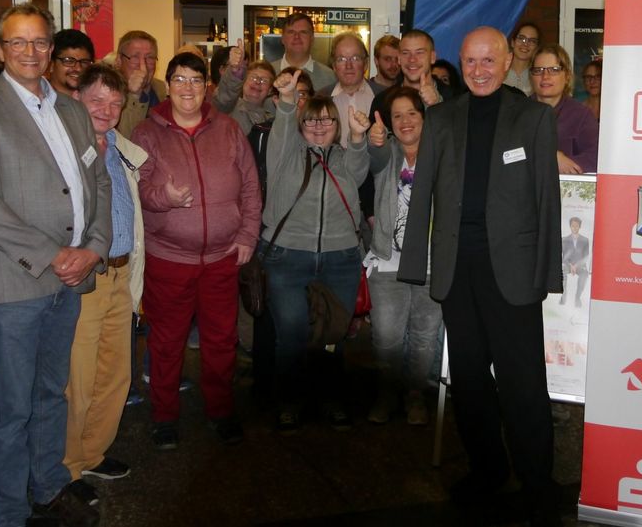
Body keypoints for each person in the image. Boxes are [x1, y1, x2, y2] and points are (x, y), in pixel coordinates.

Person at [398, 26, 561, 526]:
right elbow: (424, 192)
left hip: (513, 273)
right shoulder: (441, 118)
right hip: (458, 269)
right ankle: (488, 469)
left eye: (489, 60)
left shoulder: (533, 117)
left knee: (523, 384)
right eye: (470, 61)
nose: (479, 70)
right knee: (468, 382)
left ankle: (537, 483)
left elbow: (546, 200)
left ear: (508, 61)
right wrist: (415, 264)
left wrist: (547, 274)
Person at [0, 3, 111, 527]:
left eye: (40, 41)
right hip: (16, 282)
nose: (30, 51)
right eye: (18, 42)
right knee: (12, 408)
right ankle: (8, 513)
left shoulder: (71, 109)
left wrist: (94, 247)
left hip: (71, 279)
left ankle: (48, 488)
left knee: (51, 393)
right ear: (0, 48)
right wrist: (54, 255)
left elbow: (97, 180)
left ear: (51, 49)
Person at [131, 52, 262, 450]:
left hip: (222, 257)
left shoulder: (228, 128)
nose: (187, 88)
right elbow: (137, 190)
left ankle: (221, 411)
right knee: (166, 342)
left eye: (195, 80)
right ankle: (164, 417)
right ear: (168, 84)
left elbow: (251, 186)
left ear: (207, 85)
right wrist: (164, 197)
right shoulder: (146, 132)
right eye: (179, 79)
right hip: (169, 259)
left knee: (221, 340)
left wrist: (247, 236)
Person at [262, 70, 370, 433]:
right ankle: (289, 402)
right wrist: (287, 99)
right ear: (301, 124)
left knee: (333, 336)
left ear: (337, 126)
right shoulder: (285, 155)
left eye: (327, 120)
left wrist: (358, 137)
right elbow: (282, 129)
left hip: (341, 258)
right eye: (311, 120)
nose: (319, 126)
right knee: (292, 334)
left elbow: (360, 169)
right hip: (288, 256)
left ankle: (330, 399)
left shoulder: (344, 158)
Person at [64, 64, 147, 504]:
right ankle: (66, 468)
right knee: (78, 379)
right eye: (97, 99)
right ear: (77, 98)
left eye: (115, 103)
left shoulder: (121, 149)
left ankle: (92, 453)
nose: (106, 109)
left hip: (121, 274)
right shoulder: (63, 148)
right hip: (87, 279)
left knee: (115, 374)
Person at [365, 87, 443, 426]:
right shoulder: (386, 153)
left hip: (432, 262)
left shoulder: (442, 152)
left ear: (424, 117)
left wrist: (438, 103)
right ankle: (386, 393)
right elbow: (373, 155)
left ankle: (415, 396)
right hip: (388, 261)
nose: (405, 121)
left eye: (412, 112)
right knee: (386, 336)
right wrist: (372, 139)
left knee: (424, 336)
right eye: (397, 115)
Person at [531, 44, 599, 174]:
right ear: (531, 76)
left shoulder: (582, 116)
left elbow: (595, 159)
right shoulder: (518, 113)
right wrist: (550, 158)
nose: (545, 76)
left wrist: (563, 162)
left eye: (554, 70)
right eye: (538, 70)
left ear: (567, 75)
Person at [369, 29, 448, 126]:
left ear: (432, 57)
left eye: (419, 52)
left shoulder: (454, 97)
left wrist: (438, 105)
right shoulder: (382, 101)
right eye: (405, 53)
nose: (412, 59)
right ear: (399, 59)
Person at [213, 45, 276, 134]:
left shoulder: (273, 121)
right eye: (253, 78)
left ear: (270, 90)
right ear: (243, 82)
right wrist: (234, 73)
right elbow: (224, 98)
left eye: (264, 80)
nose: (258, 82)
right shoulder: (229, 108)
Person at [328, 31, 375, 147]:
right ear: (334, 66)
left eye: (355, 58)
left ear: (365, 64)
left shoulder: (383, 96)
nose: (348, 66)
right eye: (341, 59)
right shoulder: (322, 98)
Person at [115, 30, 166, 138]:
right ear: (119, 60)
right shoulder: (110, 93)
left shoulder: (163, 91)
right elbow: (125, 141)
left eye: (150, 57)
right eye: (135, 57)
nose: (143, 65)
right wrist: (134, 95)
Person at [269, 11, 336, 91]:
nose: (297, 37)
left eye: (303, 32)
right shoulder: (268, 74)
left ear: (312, 39)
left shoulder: (330, 77)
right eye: (291, 32)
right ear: (282, 39)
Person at [47, 28, 95, 96]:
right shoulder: (38, 99)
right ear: (51, 65)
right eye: (69, 61)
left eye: (84, 62)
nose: (78, 68)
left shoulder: (96, 100)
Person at [559, 217, 590, 307]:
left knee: (585, 274)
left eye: (577, 226)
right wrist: (571, 265)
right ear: (570, 226)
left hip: (579, 265)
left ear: (580, 227)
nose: (574, 228)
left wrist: (576, 266)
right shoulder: (564, 240)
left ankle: (577, 297)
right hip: (567, 264)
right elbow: (564, 256)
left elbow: (586, 256)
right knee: (562, 270)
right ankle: (563, 296)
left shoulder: (585, 240)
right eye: (573, 226)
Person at [507, 21, 540, 95]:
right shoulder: (498, 72)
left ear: (536, 47)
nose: (525, 44)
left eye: (532, 41)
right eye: (521, 38)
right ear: (512, 42)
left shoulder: (539, 76)